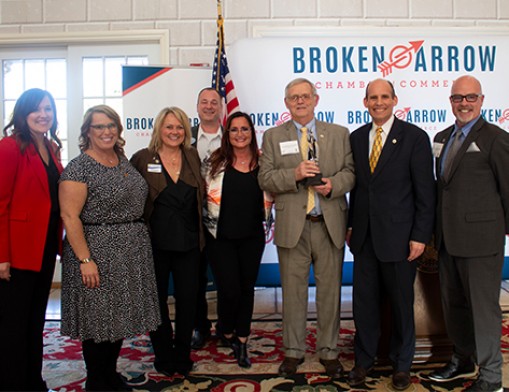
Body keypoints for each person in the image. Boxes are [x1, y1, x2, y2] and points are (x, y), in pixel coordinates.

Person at [59, 105, 161, 391]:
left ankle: (109, 375)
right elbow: (70, 216)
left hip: (129, 252)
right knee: (97, 321)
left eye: (111, 126)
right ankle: (97, 381)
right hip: (96, 251)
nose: (106, 131)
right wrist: (85, 259)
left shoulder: (121, 159)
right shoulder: (79, 167)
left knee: (117, 320)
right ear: (87, 132)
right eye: (99, 127)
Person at [258, 77, 355, 378]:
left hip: (329, 224)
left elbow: (351, 173)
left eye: (305, 96)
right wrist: (295, 173)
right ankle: (293, 351)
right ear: (286, 103)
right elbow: (266, 179)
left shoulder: (339, 134)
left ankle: (328, 351)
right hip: (292, 228)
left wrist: (333, 185)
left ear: (316, 99)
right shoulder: (273, 136)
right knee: (293, 293)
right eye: (293, 97)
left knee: (329, 293)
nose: (300, 101)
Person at [346, 79, 436, 391]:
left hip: (401, 239)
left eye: (385, 97)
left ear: (395, 100)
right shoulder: (357, 138)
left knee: (401, 305)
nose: (379, 102)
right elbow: (358, 189)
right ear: (365, 102)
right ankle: (364, 360)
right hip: (364, 239)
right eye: (373, 97)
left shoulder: (414, 137)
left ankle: (402, 365)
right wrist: (350, 226)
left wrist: (420, 235)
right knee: (364, 304)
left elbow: (426, 193)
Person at [428, 75, 509, 392]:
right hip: (448, 239)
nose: (464, 103)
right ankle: (463, 360)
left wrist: (502, 233)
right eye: (458, 98)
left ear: (481, 100)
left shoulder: (496, 138)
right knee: (455, 306)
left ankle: (491, 377)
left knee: (484, 310)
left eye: (470, 97)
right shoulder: (442, 136)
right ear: (450, 101)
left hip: (481, 242)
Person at [131, 106, 205, 377]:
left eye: (179, 127)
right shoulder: (141, 158)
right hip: (153, 244)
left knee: (188, 301)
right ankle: (163, 354)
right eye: (169, 127)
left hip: (189, 243)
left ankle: (182, 353)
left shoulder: (193, 156)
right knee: (156, 301)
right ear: (159, 129)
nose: (174, 132)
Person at [0, 88, 63, 391]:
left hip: (46, 246)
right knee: (13, 325)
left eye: (48, 109)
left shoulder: (51, 147)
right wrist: (2, 255)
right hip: (18, 249)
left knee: (35, 321)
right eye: (36, 109)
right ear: (23, 114)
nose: (43, 115)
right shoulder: (10, 147)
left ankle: (33, 381)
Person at [203, 111, 272, 368]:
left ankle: (241, 340)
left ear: (252, 133)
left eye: (245, 129)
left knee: (246, 289)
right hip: (220, 238)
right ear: (227, 134)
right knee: (229, 289)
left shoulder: (264, 163)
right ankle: (225, 329)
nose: (240, 134)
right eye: (234, 129)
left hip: (252, 238)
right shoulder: (214, 162)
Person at [190, 87, 223, 349]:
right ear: (197, 106)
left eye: (214, 102)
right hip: (191, 221)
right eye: (204, 102)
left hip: (224, 220)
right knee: (195, 279)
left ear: (221, 107)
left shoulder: (234, 136)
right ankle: (200, 327)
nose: (209, 106)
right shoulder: (183, 137)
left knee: (226, 278)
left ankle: (226, 327)